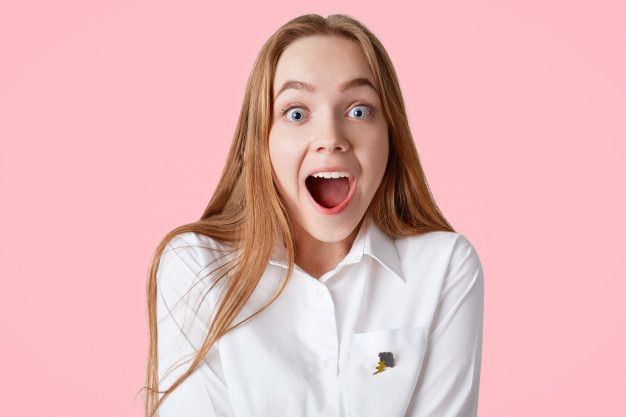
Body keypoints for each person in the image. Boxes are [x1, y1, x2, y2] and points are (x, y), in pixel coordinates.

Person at [142, 13, 484, 417]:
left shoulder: (445, 268)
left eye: (359, 111)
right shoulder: (195, 266)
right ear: (261, 141)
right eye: (296, 113)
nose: (331, 139)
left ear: (391, 134)